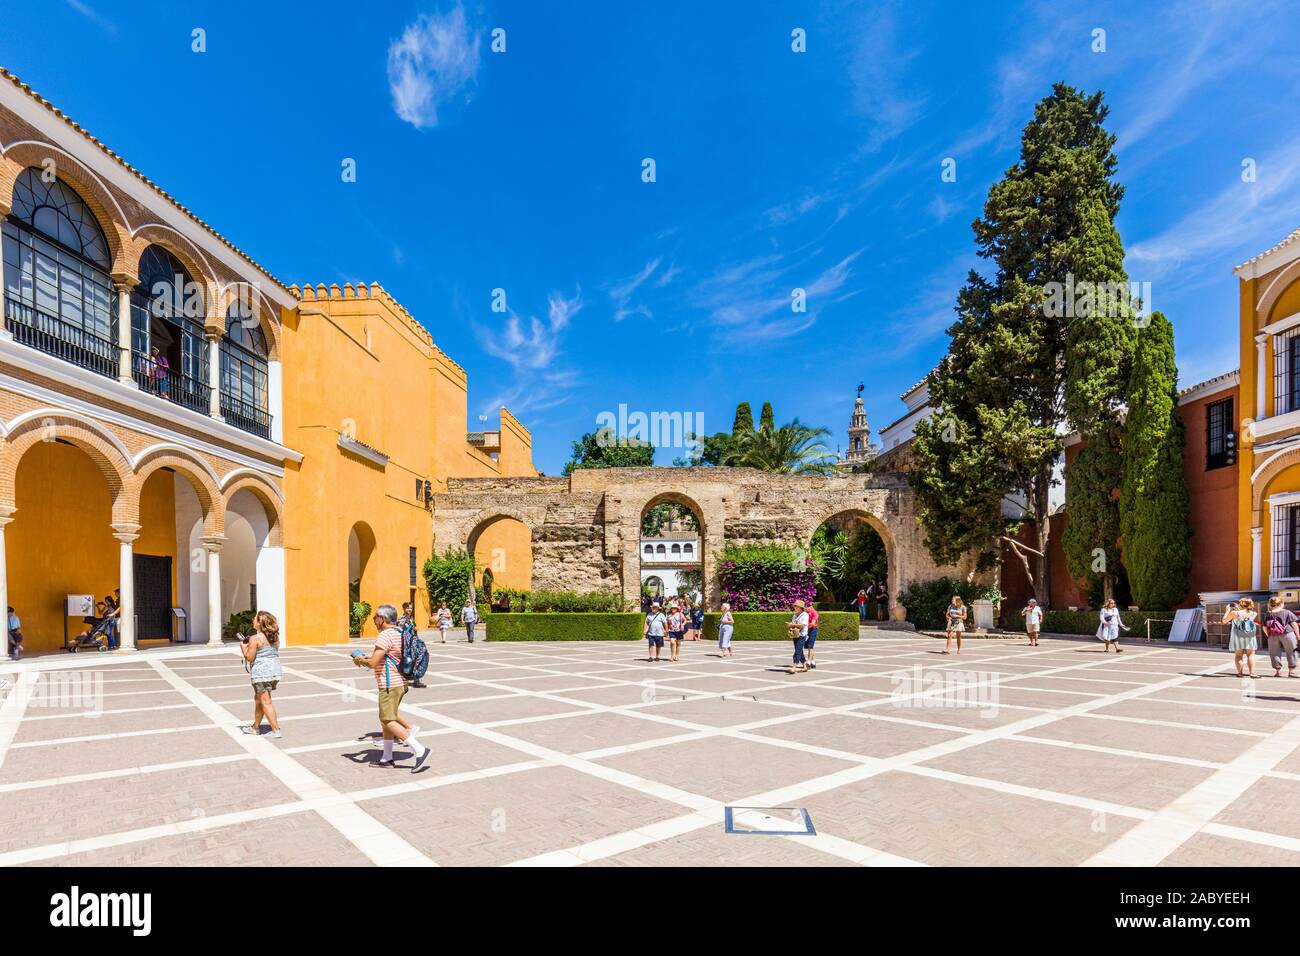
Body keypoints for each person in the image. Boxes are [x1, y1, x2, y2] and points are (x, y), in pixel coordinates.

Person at [351, 604, 430, 772]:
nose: (373, 620)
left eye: (375, 618)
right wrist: (369, 658)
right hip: (400, 682)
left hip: (389, 683)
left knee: (388, 720)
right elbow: (386, 657)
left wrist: (360, 660)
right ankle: (387, 757)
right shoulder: (399, 633)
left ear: (382, 619)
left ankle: (420, 750)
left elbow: (373, 663)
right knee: (385, 720)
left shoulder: (385, 635)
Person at [239, 610, 283, 738]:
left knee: (265, 701)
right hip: (274, 671)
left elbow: (250, 657)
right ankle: (255, 727)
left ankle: (275, 731)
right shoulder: (274, 637)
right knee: (259, 700)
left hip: (261, 673)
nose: (253, 620)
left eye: (255, 619)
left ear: (260, 623)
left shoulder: (255, 639)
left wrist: (243, 647)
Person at [1222, 597, 1259, 678]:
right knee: (1251, 654)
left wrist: (1227, 610)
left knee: (1238, 655)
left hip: (1237, 636)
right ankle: (1252, 673)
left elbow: (1224, 621)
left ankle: (1240, 673)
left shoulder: (1234, 613)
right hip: (1249, 635)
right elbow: (1244, 615)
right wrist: (1238, 609)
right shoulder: (1253, 613)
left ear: (1240, 604)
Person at [1263, 596, 1299, 678]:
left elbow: (1264, 627)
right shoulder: (1287, 612)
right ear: (1281, 604)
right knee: (1292, 652)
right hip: (1287, 634)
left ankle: (1278, 672)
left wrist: (1268, 635)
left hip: (1273, 635)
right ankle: (1291, 671)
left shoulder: (1268, 613)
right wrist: (1298, 635)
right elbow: (1294, 624)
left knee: (1274, 653)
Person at [397, 602, 426, 688]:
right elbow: (400, 631)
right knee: (405, 661)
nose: (409, 610)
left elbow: (413, 631)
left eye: (411, 608)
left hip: (413, 643)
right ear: (404, 609)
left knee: (416, 660)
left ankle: (416, 680)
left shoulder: (412, 619)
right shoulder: (401, 619)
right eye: (407, 608)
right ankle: (403, 680)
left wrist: (415, 629)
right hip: (405, 644)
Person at [788, 599, 810, 673]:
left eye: (796, 606)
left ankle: (794, 667)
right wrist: (790, 624)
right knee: (799, 651)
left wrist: (793, 624)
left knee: (797, 651)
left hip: (802, 635)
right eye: (795, 606)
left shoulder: (805, 615)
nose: (795, 607)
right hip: (795, 635)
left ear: (800, 607)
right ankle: (805, 666)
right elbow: (793, 623)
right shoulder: (795, 615)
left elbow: (802, 625)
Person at [805, 602, 820, 669]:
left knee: (810, 646)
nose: (805, 609)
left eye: (806, 607)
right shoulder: (806, 613)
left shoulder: (814, 613)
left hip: (813, 630)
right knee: (809, 646)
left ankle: (808, 662)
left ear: (810, 606)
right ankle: (813, 661)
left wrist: (805, 625)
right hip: (807, 630)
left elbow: (813, 624)